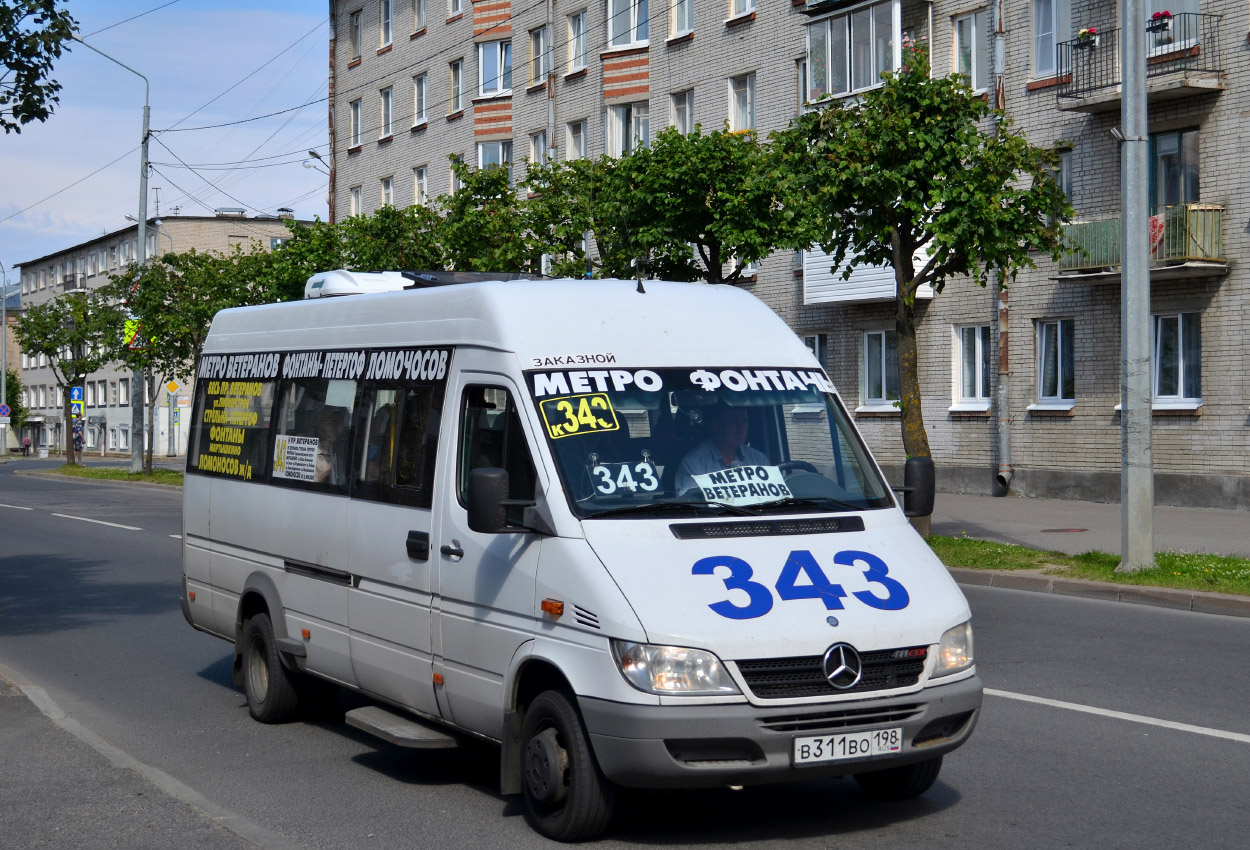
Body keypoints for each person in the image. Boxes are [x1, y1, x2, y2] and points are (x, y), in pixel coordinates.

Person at [674, 404, 769, 493]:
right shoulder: (694, 464)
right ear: (715, 426)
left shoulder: (759, 460)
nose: (741, 429)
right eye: (733, 422)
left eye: (744, 422)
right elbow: (692, 504)